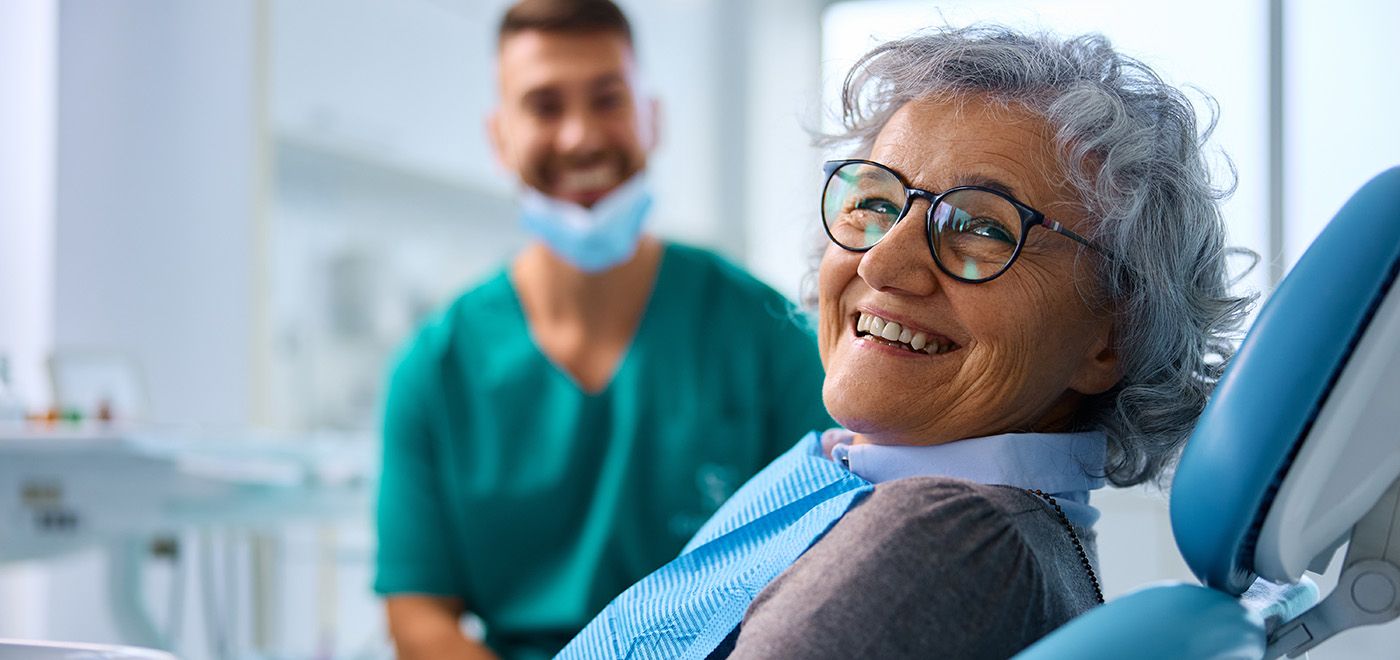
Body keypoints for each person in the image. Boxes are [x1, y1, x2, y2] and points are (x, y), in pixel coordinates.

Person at [559, 25, 1256, 659]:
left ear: (1110, 338)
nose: (881, 263)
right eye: (876, 204)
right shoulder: (872, 484)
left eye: (984, 228)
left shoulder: (946, 541)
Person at [372, 2, 832, 659]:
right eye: (545, 106)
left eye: (608, 99)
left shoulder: (764, 335)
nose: (580, 136)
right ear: (499, 137)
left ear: (653, 118)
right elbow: (419, 615)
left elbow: (829, 566)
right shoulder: (435, 369)